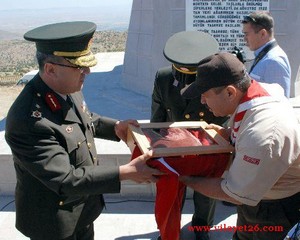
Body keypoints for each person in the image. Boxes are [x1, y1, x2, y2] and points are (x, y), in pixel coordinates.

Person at [4, 21, 162, 240]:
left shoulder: (65, 87)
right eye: (79, 66)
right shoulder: (28, 120)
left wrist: (115, 128)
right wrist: (126, 172)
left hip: (83, 209)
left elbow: (83, 118)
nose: (87, 71)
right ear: (50, 69)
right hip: (53, 223)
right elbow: (65, 179)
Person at [180, 52, 300, 240]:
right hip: (258, 198)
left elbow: (233, 193)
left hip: (275, 211)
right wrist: (227, 134)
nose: (202, 101)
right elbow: (246, 128)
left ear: (230, 92)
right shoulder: (257, 93)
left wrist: (184, 178)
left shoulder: (262, 137)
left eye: (205, 95)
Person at [151, 31, 229, 240]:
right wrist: (157, 146)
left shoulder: (216, 81)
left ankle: (202, 229)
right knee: (171, 194)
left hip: (206, 147)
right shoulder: (164, 77)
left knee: (206, 195)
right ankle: (169, 231)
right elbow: (157, 116)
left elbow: (223, 117)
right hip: (174, 149)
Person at [242, 11, 291, 97]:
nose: (244, 39)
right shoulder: (264, 56)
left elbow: (279, 101)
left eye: (247, 34)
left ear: (263, 34)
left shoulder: (274, 61)